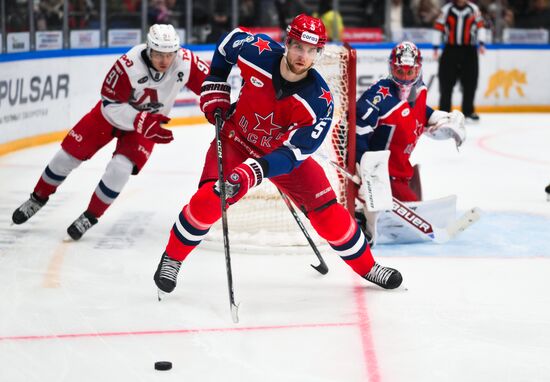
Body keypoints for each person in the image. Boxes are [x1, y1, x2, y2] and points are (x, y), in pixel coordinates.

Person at [153, 14, 403, 296]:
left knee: (329, 215)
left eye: (311, 51)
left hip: (283, 158)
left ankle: (368, 267)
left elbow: (294, 153)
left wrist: (255, 170)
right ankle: (172, 258)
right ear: (287, 43)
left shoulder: (319, 101)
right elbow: (228, 43)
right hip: (236, 139)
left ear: (319, 53)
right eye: (298, 47)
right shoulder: (257, 52)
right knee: (210, 199)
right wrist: (216, 82)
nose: (303, 56)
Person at [12, 24, 209, 240]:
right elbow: (110, 105)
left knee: (120, 169)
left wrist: (220, 104)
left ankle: (90, 216)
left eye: (170, 55)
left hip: (146, 125)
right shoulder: (129, 64)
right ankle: (37, 198)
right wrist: (140, 119)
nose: (165, 61)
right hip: (109, 118)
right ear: (149, 50)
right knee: (65, 157)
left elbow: (211, 84)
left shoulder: (185, 62)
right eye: (159, 55)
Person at [355, 41, 466, 243]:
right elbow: (356, 132)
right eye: (399, 71)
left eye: (410, 72)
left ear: (418, 69)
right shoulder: (377, 98)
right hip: (384, 176)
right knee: (410, 227)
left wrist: (439, 119)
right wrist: (364, 174)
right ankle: (360, 214)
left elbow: (420, 111)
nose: (405, 78)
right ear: (391, 68)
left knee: (412, 214)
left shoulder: (420, 89)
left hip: (401, 169)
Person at [433, 0, 486, 122]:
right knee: (446, 81)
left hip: (469, 50)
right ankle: (444, 111)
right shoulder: (446, 10)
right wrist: (435, 47)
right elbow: (438, 28)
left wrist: (482, 43)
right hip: (450, 50)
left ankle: (468, 111)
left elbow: (481, 27)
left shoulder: (473, 9)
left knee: (470, 81)